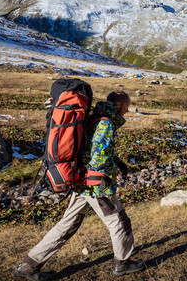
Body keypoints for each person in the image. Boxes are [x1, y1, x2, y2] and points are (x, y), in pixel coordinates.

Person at [14, 91, 145, 280]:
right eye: (127, 105)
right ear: (118, 105)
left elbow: (90, 147)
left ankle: (29, 266)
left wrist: (118, 161)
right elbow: (99, 157)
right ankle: (122, 265)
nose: (128, 109)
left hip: (81, 181)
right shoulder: (106, 123)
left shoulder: (94, 118)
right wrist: (111, 171)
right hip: (95, 186)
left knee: (66, 225)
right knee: (119, 222)